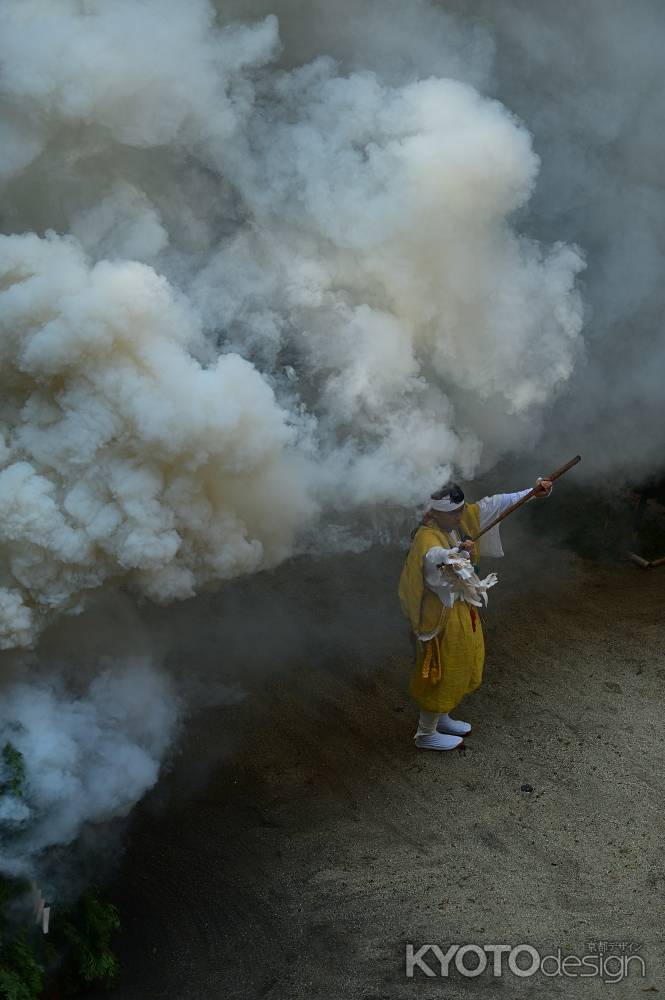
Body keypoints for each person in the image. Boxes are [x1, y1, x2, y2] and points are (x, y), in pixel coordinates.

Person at [398, 477, 553, 751]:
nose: (461, 515)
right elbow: (438, 562)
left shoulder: (458, 518)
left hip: (460, 608)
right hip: (440, 616)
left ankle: (442, 717)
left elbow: (496, 504)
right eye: (454, 512)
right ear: (434, 513)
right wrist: (458, 553)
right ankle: (426, 734)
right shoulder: (426, 538)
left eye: (460, 510)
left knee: (460, 663)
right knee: (440, 671)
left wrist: (531, 491)